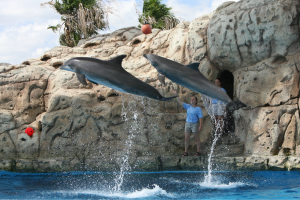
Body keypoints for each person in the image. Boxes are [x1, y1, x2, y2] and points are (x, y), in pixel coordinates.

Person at [172, 89, 203, 156]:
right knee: (186, 138)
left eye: (193, 99)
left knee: (196, 138)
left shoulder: (198, 108)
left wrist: (200, 125)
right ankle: (186, 152)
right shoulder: (188, 106)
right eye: (191, 99)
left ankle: (198, 152)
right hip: (187, 124)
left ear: (196, 101)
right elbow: (179, 102)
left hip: (195, 124)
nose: (191, 100)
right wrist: (175, 94)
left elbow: (200, 117)